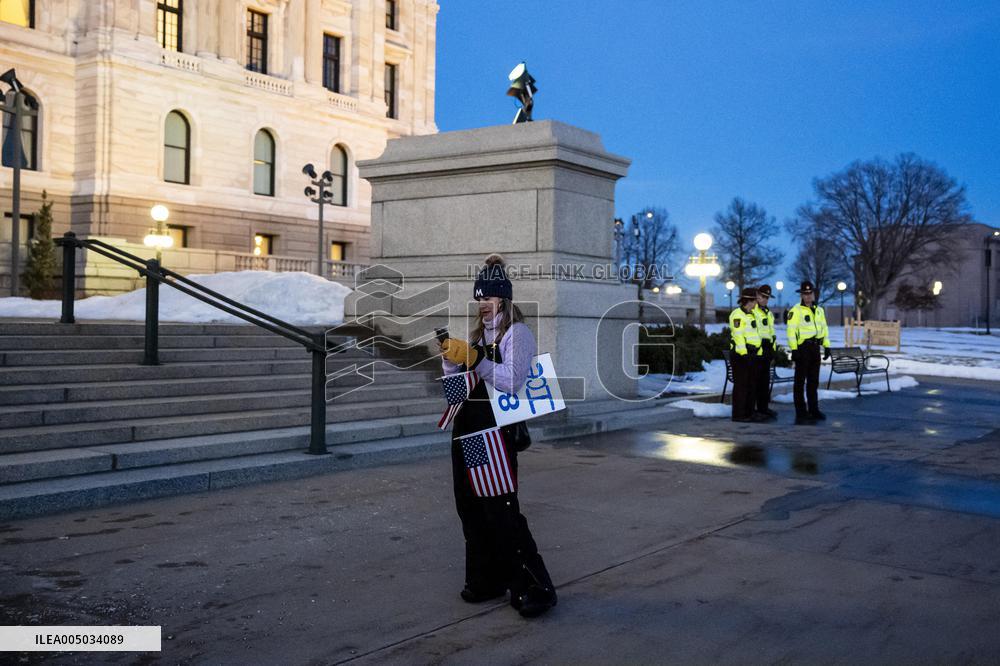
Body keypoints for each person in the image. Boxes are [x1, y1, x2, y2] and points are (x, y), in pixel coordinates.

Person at [438, 253, 557, 619]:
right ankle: (486, 579)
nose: (482, 306)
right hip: (467, 431)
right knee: (472, 510)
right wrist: (449, 360)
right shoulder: (479, 335)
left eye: (488, 299)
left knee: (502, 511)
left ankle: (536, 587)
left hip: (495, 436)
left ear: (503, 298)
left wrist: (476, 360)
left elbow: (513, 381)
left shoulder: (516, 333)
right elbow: (454, 394)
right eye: (478, 299)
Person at [785, 281, 831, 425]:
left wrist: (826, 346)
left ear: (813, 294)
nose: (807, 296)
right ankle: (801, 412)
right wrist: (794, 349)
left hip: (815, 349)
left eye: (809, 293)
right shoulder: (796, 311)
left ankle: (814, 409)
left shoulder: (819, 310)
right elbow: (791, 331)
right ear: (801, 295)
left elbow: (824, 329)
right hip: (803, 349)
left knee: (813, 381)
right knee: (799, 382)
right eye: (804, 294)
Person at [728, 287, 765, 423]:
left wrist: (759, 353)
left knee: (752, 385)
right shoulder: (737, 315)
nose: (758, 302)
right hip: (741, 356)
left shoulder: (752, 314)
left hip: (753, 354)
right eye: (756, 299)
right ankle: (738, 415)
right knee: (741, 386)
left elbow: (756, 335)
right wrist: (744, 355)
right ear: (749, 300)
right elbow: (738, 336)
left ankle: (750, 412)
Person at [752, 285, 778, 420]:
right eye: (763, 297)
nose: (765, 300)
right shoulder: (752, 311)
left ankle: (763, 407)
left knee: (764, 381)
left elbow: (771, 333)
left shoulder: (768, 313)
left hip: (767, 350)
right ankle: (755, 409)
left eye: (767, 297)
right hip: (756, 349)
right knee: (756, 381)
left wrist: (773, 348)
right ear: (757, 295)